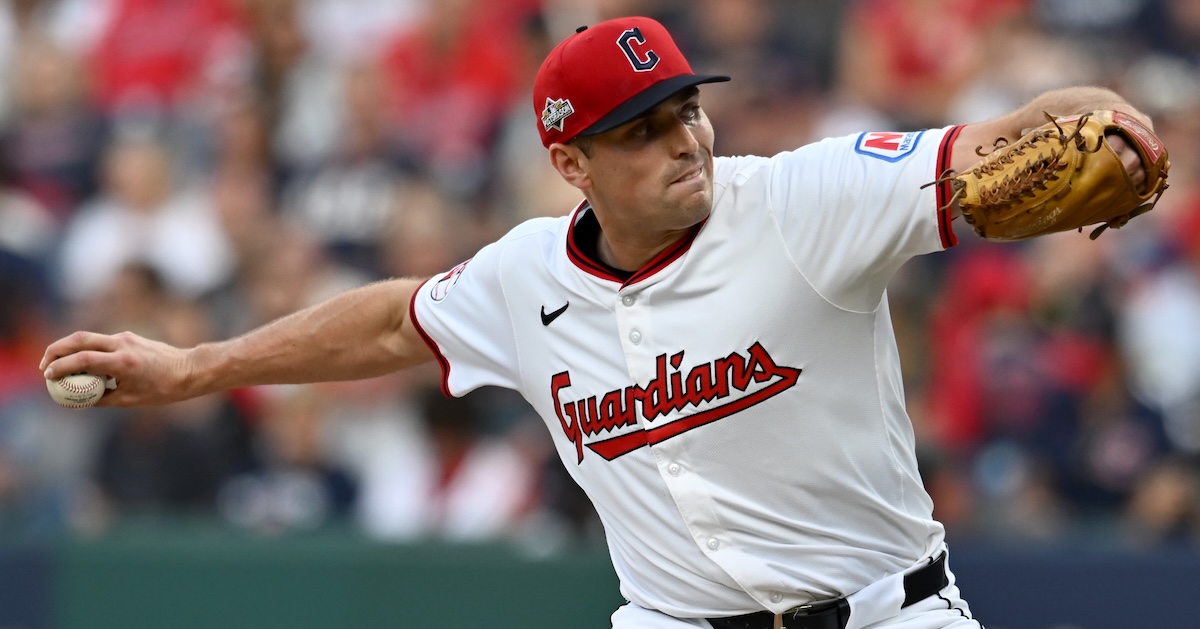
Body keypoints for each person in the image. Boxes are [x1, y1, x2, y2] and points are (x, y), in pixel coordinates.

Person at [41, 15, 1157, 629]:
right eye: (642, 130)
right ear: (570, 162)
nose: (684, 139)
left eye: (686, 107)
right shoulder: (525, 275)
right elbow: (391, 323)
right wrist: (197, 364)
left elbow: (987, 148)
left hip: (886, 615)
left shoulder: (804, 201)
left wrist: (1099, 120)